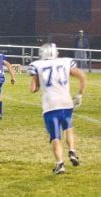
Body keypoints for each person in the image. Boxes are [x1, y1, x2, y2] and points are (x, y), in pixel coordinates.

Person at [28, 43, 86, 174]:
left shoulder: (37, 65)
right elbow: (82, 76)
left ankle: (60, 164)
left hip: (50, 105)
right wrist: (80, 94)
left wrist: (36, 83)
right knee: (68, 127)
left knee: (55, 136)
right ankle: (72, 150)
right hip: (66, 102)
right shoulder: (65, 61)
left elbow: (32, 89)